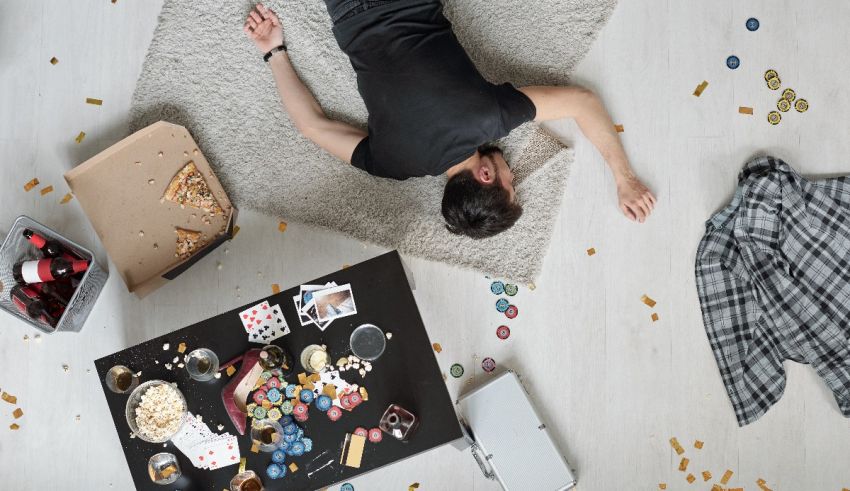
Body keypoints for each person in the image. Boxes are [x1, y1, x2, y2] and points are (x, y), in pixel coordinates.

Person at [243, 1, 656, 239]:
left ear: (485, 176)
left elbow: (583, 102)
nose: (513, 171)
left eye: (512, 182)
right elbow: (311, 126)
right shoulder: (392, 164)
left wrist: (625, 179)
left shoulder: (491, 117)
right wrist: (272, 50)